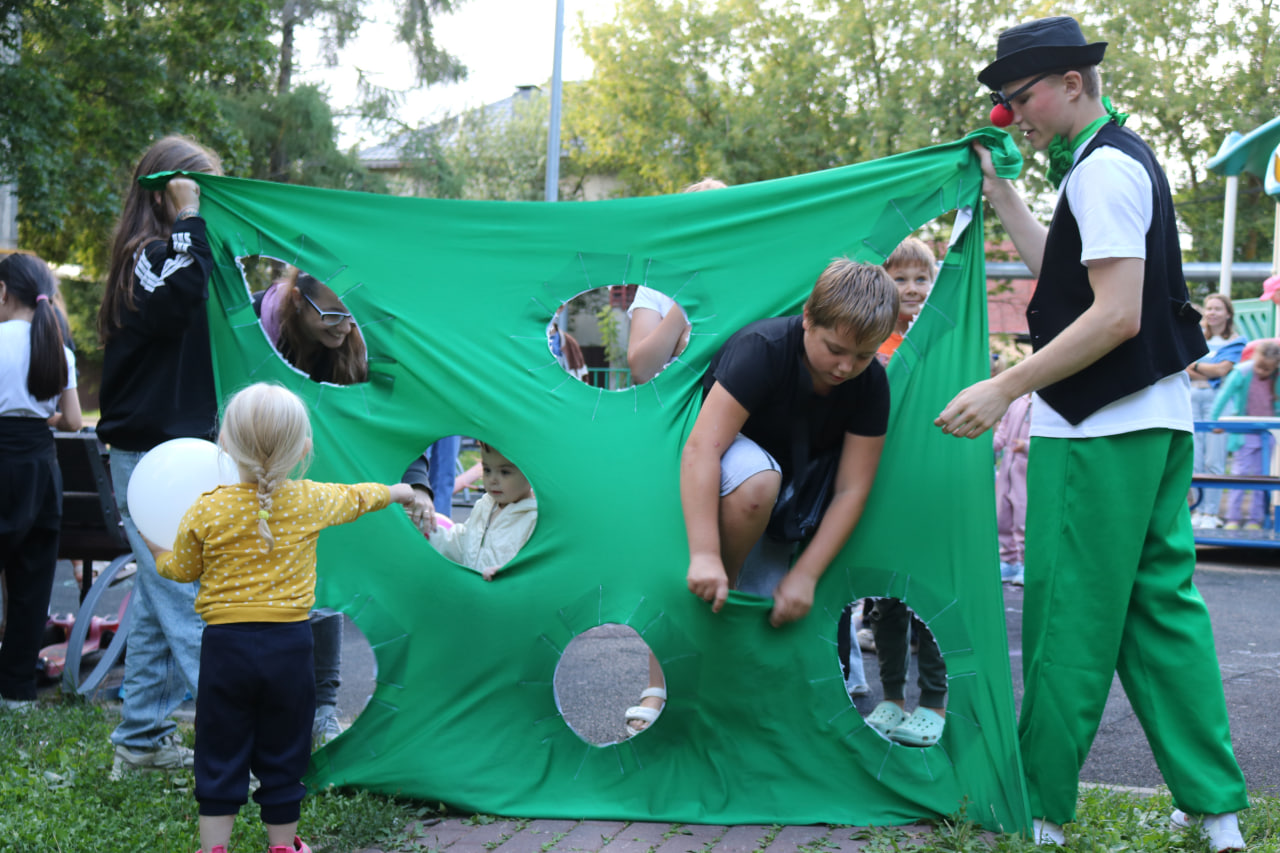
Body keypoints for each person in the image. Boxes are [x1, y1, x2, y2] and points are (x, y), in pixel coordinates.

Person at [936, 17, 1247, 849]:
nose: (1013, 113)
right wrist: (1004, 194)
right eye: (1005, 101)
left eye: (1020, 96)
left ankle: (1037, 809)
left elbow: (1114, 317)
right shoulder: (1114, 159)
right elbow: (1072, 281)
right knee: (1161, 614)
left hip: (1101, 426)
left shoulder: (1104, 169)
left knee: (1067, 617)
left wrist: (1005, 386)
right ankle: (1216, 810)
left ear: (1073, 81)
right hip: (1154, 420)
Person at [151, 382, 417, 853]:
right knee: (284, 748)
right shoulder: (311, 500)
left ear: (226, 443)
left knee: (220, 748)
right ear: (304, 448)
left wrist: (157, 552)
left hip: (225, 649)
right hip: (290, 649)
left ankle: (214, 848)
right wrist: (401, 491)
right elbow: (359, 497)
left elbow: (181, 569)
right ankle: (281, 846)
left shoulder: (208, 507)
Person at [252, 267, 428, 748]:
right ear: (295, 298)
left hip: (324, 482)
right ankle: (273, 710)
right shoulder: (250, 330)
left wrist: (417, 485)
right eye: (331, 313)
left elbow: (399, 422)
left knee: (327, 580)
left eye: (352, 317)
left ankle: (323, 710)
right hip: (267, 481)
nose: (345, 326)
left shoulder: (360, 343)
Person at [96, 135, 222, 777]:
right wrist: (191, 217)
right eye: (201, 191)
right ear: (169, 190)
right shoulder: (148, 256)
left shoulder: (185, 251)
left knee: (160, 595)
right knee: (189, 598)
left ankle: (140, 741)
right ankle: (235, 745)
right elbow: (177, 304)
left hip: (181, 450)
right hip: (150, 455)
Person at [682, 258, 896, 632]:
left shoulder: (871, 383)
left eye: (863, 355)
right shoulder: (762, 349)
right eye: (835, 349)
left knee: (771, 615)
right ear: (809, 317)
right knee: (757, 484)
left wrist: (807, 575)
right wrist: (704, 555)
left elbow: (851, 490)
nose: (846, 367)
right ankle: (725, 586)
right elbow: (703, 449)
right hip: (729, 477)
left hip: (791, 498)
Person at [623, 177, 727, 733]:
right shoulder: (657, 291)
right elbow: (641, 365)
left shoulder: (745, 275)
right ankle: (659, 679)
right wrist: (686, 304)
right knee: (673, 558)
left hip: (734, 429)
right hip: (672, 433)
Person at [0, 253, 82, 709]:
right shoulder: (56, 346)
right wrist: (39, 414)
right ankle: (16, 692)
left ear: (2, 291)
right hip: (40, 466)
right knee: (31, 584)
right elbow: (72, 419)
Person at [427, 442, 537, 581]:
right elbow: (462, 543)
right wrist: (429, 532)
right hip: (474, 596)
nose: (493, 480)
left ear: (531, 472)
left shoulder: (534, 520)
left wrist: (511, 573)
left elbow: (540, 569)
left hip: (506, 598)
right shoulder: (484, 506)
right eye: (487, 470)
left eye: (505, 472)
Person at [1188, 293, 1246, 528]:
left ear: (1228, 314)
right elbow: (1184, 367)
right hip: (1193, 396)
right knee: (1195, 457)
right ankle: (1198, 511)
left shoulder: (1235, 341)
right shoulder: (1195, 336)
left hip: (1217, 400)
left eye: (1217, 309)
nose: (1212, 313)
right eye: (1209, 308)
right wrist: (1205, 369)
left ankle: (1211, 513)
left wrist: (1197, 365)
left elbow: (1223, 370)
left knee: (1215, 457)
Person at [254, 268, 368, 385]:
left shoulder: (362, 347)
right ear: (298, 298)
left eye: (352, 316)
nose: (346, 329)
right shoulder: (253, 319)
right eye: (332, 315)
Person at [1211, 341, 1280, 530]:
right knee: (1239, 475)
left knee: (1262, 477)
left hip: (1268, 432)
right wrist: (1215, 420)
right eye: (1260, 367)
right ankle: (1233, 518)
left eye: (1268, 369)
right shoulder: (1242, 371)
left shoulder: (1277, 376)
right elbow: (1223, 395)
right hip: (1245, 431)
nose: (1262, 372)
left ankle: (1255, 520)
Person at [993, 393, 1032, 585]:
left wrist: (1025, 446)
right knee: (1002, 516)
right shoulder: (1018, 401)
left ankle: (1026, 564)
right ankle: (1008, 560)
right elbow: (1003, 430)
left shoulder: (1043, 404)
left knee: (1023, 519)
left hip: (1025, 472)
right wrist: (993, 443)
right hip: (1007, 468)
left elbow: (1045, 441)